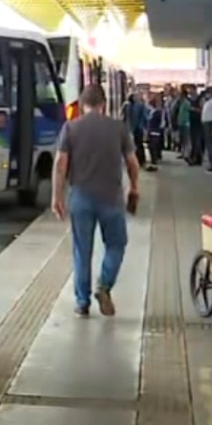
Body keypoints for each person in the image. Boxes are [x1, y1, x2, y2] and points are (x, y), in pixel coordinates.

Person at [53, 83, 142, 317]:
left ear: (83, 104)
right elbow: (132, 163)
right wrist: (134, 187)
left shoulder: (71, 128)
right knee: (116, 244)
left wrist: (57, 196)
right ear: (104, 104)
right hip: (111, 198)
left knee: (82, 251)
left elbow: (60, 164)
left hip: (81, 197)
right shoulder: (118, 128)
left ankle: (82, 303)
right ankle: (104, 285)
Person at [124, 92, 150, 167]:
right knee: (138, 144)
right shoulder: (137, 105)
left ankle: (138, 160)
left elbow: (125, 118)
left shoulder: (128, 106)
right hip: (136, 128)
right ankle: (140, 160)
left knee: (136, 145)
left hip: (134, 128)